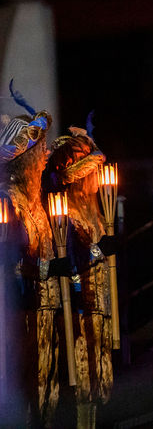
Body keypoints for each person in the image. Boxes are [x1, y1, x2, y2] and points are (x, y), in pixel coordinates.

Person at [41, 121, 119, 429]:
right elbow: (71, 265)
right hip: (79, 304)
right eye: (88, 174)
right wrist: (100, 250)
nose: (94, 180)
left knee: (98, 366)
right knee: (83, 366)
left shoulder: (93, 209)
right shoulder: (66, 212)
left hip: (99, 301)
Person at [0, 86, 62, 426]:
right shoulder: (8, 198)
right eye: (37, 150)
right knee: (26, 377)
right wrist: (46, 268)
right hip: (22, 307)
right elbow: (9, 260)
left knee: (47, 378)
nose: (44, 155)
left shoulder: (36, 196)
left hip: (46, 303)